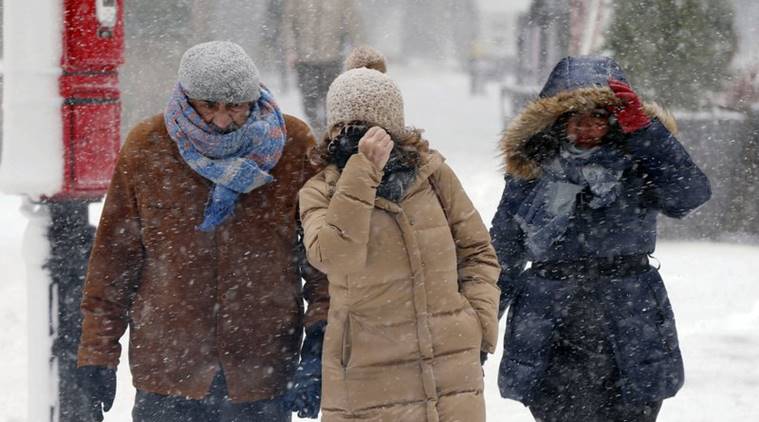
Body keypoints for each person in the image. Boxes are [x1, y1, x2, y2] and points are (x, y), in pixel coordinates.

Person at [76, 41, 329, 422]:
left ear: (254, 99)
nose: (222, 121)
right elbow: (114, 262)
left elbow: (321, 258)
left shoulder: (292, 146)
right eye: (209, 106)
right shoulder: (148, 147)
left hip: (261, 369)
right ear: (186, 97)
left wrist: (321, 339)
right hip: (168, 370)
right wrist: (98, 353)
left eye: (235, 107)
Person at [491, 56, 711, 422]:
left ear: (614, 120)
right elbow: (504, 252)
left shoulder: (639, 162)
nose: (588, 127)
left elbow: (690, 195)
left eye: (598, 117)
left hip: (630, 320)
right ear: (557, 123)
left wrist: (647, 135)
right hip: (550, 326)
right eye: (576, 117)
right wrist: (478, 330)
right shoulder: (532, 171)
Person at [298, 47, 501, 422]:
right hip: (368, 379)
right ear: (333, 130)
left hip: (450, 376)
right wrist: (362, 170)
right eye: (348, 127)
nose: (359, 138)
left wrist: (477, 326)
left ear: (395, 129)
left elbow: (477, 253)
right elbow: (335, 256)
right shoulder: (319, 192)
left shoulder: (434, 176)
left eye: (372, 128)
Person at [282, 0, 363, 135]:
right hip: (304, 59)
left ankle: (329, 133)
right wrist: (290, 49)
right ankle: (315, 130)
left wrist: (358, 49)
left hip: (332, 57)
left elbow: (352, 22)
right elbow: (288, 23)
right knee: (309, 99)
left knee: (331, 99)